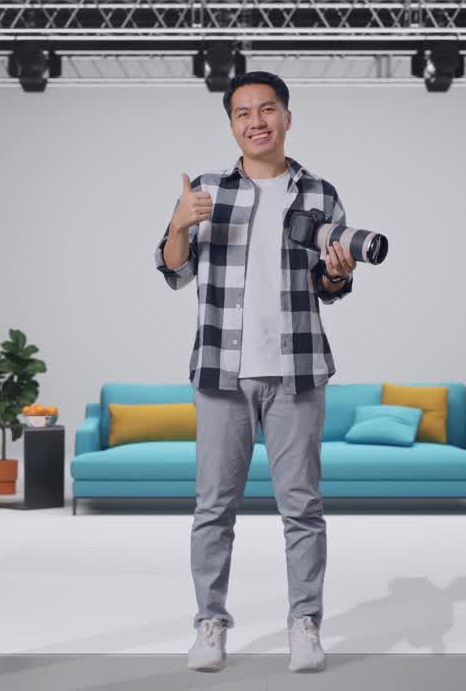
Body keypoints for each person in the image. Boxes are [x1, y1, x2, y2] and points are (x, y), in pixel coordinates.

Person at [154, 71, 358, 673]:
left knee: (302, 508)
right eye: (243, 113)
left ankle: (304, 624)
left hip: (297, 372)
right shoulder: (208, 190)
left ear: (287, 118)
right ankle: (209, 623)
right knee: (213, 508)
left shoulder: (320, 193)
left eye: (267, 110)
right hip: (221, 374)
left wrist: (341, 271)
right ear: (232, 125)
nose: (256, 121)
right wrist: (178, 223)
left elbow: (330, 284)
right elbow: (173, 271)